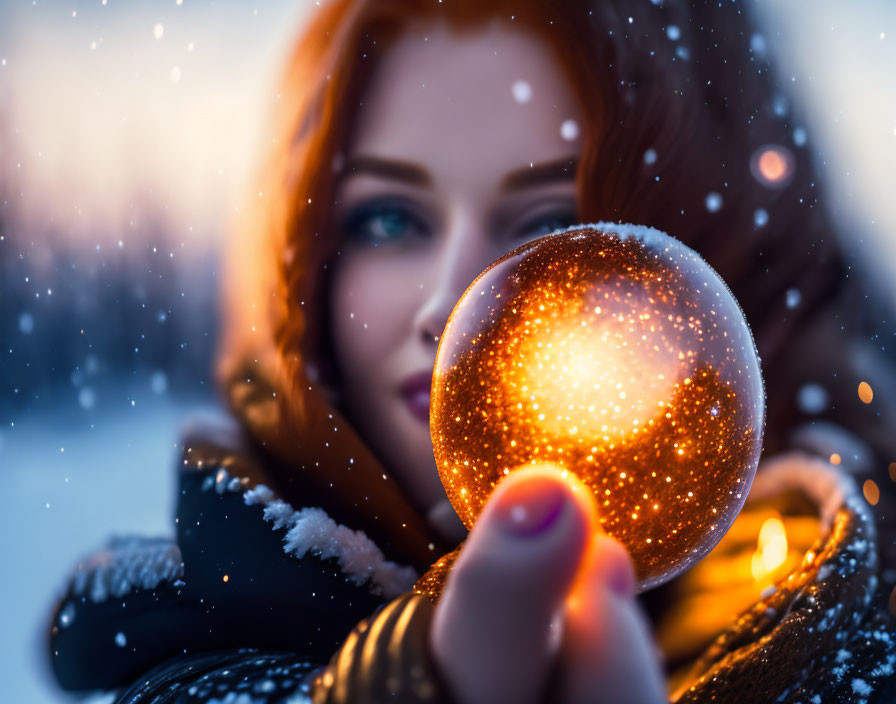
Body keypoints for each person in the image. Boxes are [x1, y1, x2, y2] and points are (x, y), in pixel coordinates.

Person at [46, 1, 896, 702]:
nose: (450, 302)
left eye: (556, 226)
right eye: (388, 220)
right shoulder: (196, 649)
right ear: (301, 260)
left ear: (731, 263)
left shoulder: (872, 646)